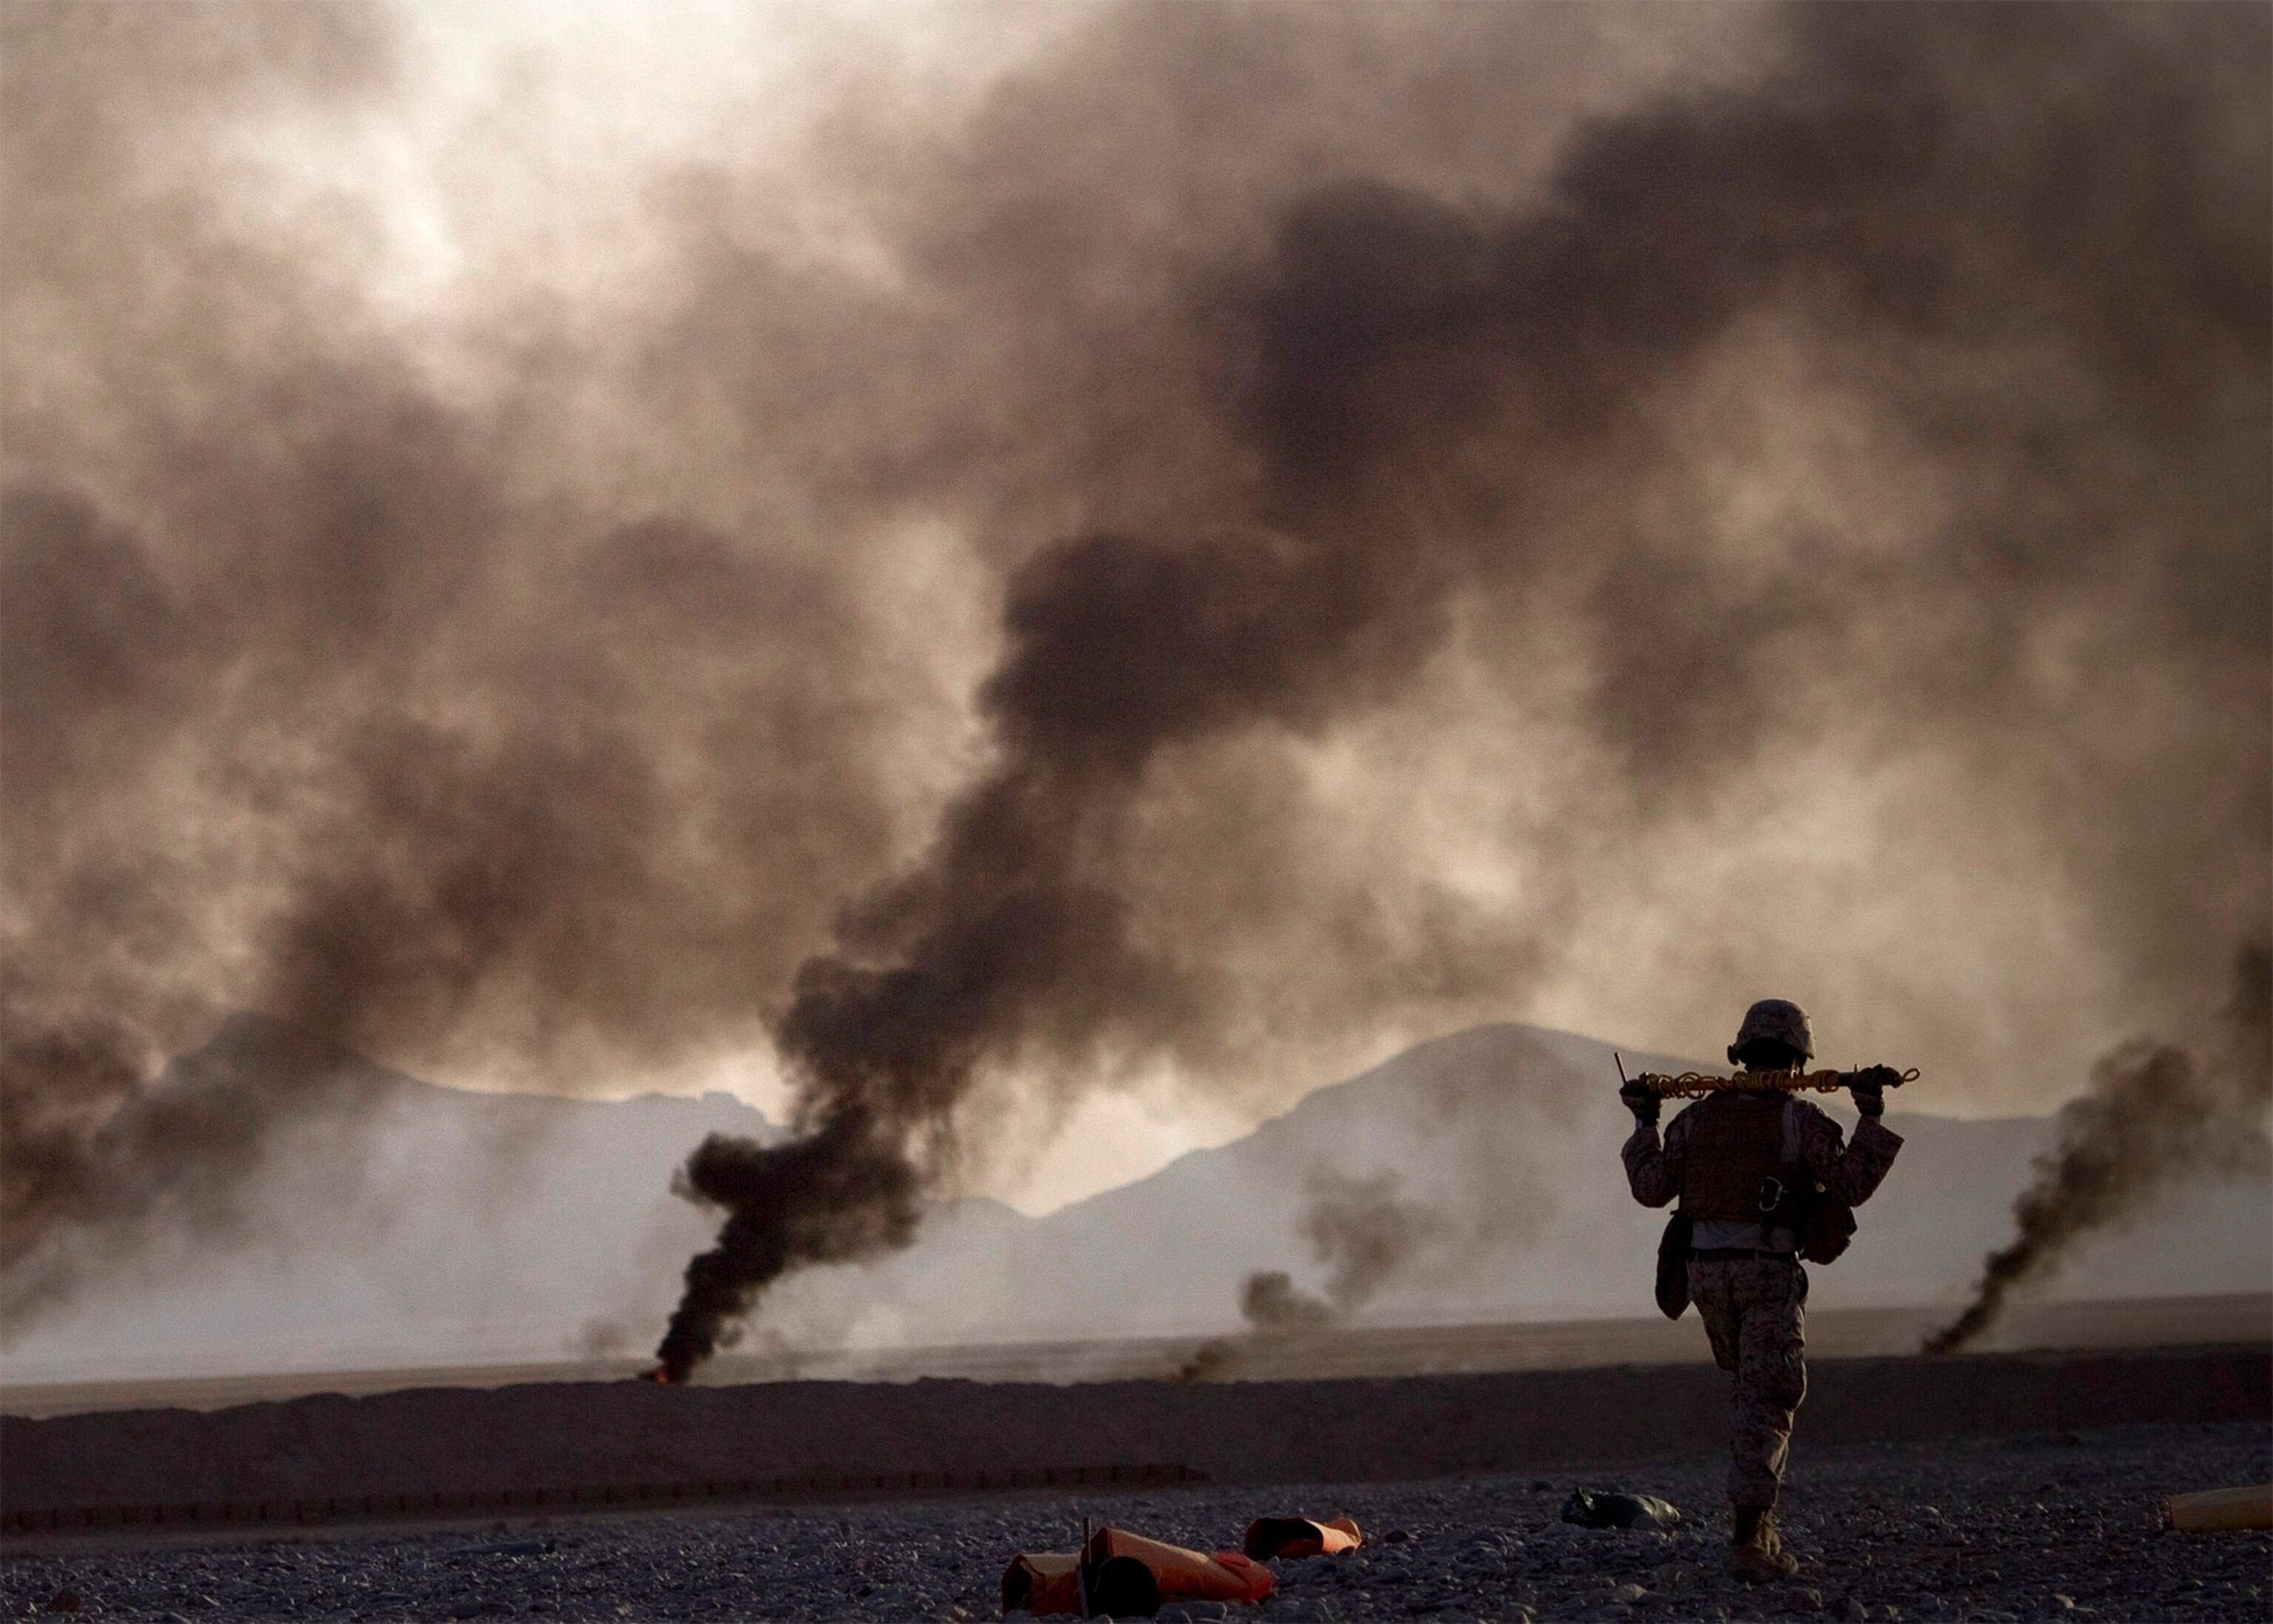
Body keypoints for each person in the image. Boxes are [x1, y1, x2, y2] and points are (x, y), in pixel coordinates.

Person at [1618, 998, 1905, 1582]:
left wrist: (1644, 1125)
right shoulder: (1800, 1121)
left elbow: (1651, 1187)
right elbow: (1850, 1183)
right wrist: (1870, 1115)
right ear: (1799, 1063)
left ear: (1737, 1055)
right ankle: (1751, 1539)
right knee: (1767, 1397)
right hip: (1765, 1271)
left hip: (1705, 1274)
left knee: (1750, 1389)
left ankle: (1757, 1528)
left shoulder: (1695, 1119)